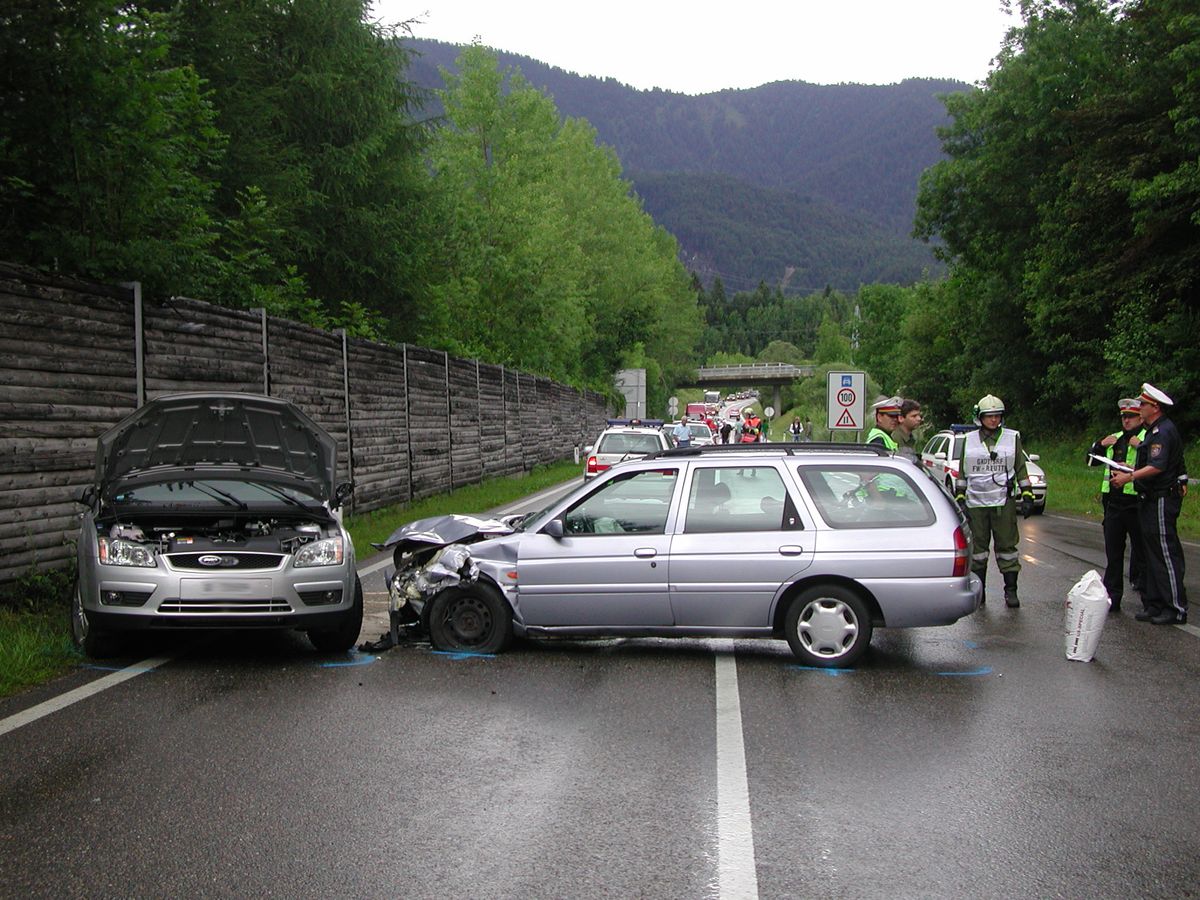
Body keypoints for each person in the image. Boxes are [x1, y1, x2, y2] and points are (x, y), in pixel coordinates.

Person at [1109, 383, 1188, 625]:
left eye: (1142, 404)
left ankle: (1175, 608)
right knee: (1151, 553)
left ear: (1154, 407)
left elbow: (1158, 466)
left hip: (1162, 497)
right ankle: (1155, 603)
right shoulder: (1153, 431)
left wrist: (1129, 477)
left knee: (1164, 552)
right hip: (1149, 498)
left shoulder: (1162, 431)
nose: (1139, 408)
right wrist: (1129, 471)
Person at [954, 394, 1034, 607]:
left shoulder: (1011, 438)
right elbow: (962, 473)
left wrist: (1027, 494)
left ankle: (1011, 591)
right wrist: (960, 497)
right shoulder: (969, 440)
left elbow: (1021, 468)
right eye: (989, 416)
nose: (993, 420)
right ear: (979, 417)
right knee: (978, 552)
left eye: (997, 416)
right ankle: (980, 594)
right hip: (976, 505)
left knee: (1007, 548)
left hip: (1003, 504)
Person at [1086, 397, 1146, 614]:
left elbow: (1157, 465)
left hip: (1137, 502)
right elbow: (1091, 460)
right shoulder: (1116, 439)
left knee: (1142, 551)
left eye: (1131, 417)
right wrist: (1100, 445)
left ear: (1141, 417)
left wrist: (1141, 448)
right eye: (1124, 417)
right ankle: (1113, 597)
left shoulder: (1147, 439)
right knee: (1114, 553)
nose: (1127, 421)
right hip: (1113, 502)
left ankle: (1149, 597)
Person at [893, 398, 923, 463]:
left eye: (919, 415)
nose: (919, 419)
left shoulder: (910, 438)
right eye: (914, 416)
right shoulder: (896, 438)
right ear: (901, 418)